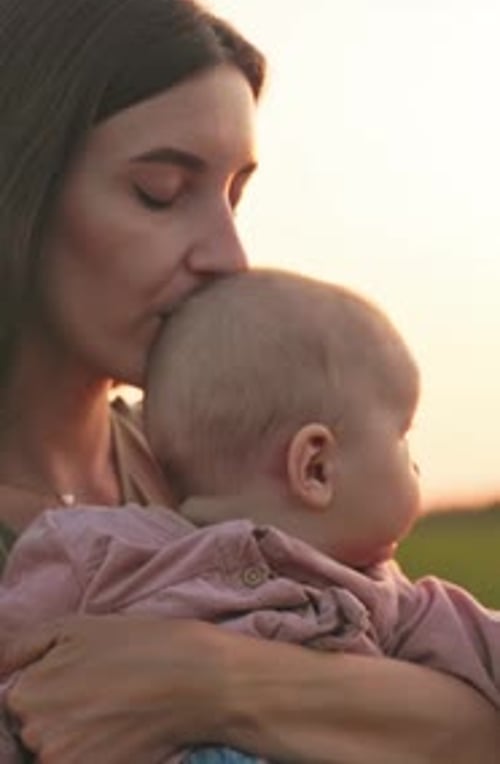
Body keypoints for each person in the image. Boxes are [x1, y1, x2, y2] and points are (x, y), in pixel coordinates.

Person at [0, 0, 498, 764]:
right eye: (161, 192)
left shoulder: (221, 456)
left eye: (234, 197)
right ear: (20, 189)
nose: (228, 256)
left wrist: (216, 680)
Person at [1, 269, 500, 764]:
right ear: (316, 468)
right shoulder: (99, 549)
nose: (415, 466)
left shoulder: (395, 600)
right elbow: (15, 669)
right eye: (402, 438)